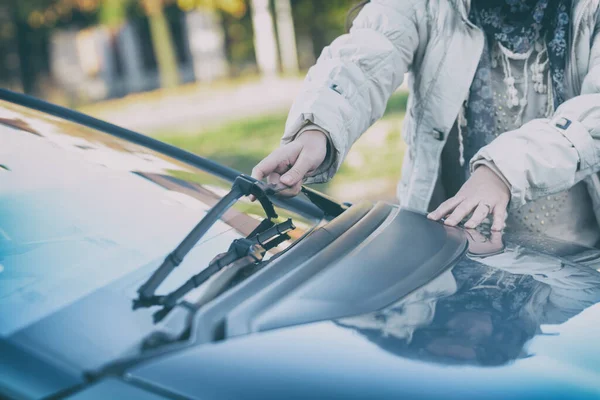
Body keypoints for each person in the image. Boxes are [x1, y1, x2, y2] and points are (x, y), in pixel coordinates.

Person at [251, 0, 600, 247]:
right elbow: (363, 56)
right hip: (450, 254)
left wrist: (502, 170)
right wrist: (318, 128)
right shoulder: (427, 5)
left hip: (573, 261)